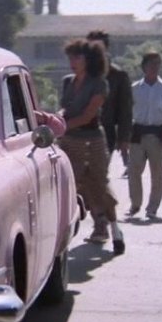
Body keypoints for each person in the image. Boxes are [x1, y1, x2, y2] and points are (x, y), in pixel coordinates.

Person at [57, 39, 124, 252]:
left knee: (99, 184)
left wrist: (61, 126)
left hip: (91, 140)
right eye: (70, 57)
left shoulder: (98, 83)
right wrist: (56, 119)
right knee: (74, 185)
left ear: (89, 59)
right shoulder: (68, 81)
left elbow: (88, 115)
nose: (72, 61)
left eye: (77, 57)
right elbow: (65, 109)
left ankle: (115, 229)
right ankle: (90, 226)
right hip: (69, 141)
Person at [128, 52, 162, 221]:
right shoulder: (135, 88)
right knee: (134, 171)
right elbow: (127, 113)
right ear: (144, 67)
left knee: (158, 174)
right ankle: (135, 203)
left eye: (157, 64)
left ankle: (152, 208)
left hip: (158, 134)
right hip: (138, 134)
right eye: (151, 64)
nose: (155, 67)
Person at [86, 30, 133, 178]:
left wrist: (124, 139)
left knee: (98, 177)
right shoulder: (81, 73)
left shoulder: (118, 75)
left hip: (105, 133)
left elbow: (125, 109)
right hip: (78, 132)